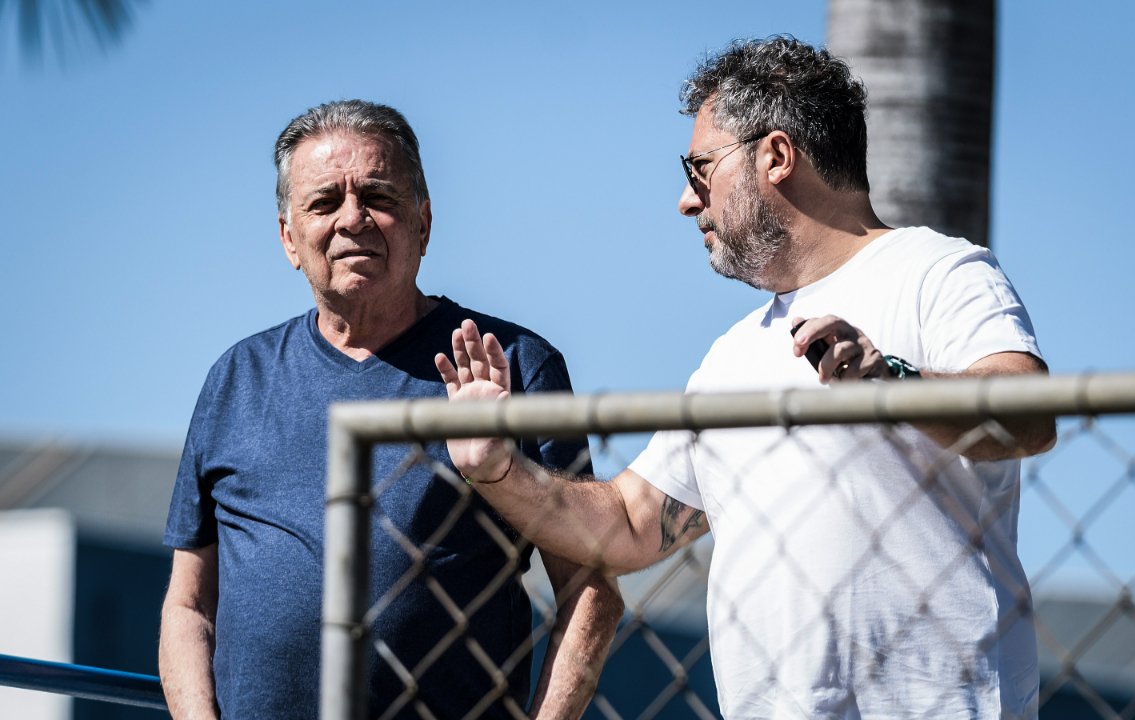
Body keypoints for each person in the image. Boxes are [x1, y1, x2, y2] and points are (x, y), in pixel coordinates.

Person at [436, 37, 1056, 719]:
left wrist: (894, 383)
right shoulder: (730, 356)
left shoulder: (937, 270)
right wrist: (497, 467)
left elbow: (1029, 415)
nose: (685, 201)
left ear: (776, 156)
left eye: (700, 167)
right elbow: (631, 526)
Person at [158, 99, 623, 720]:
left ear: (423, 224)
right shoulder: (236, 379)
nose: (352, 218)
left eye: (378, 196)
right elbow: (188, 605)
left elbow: (590, 589)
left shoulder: (512, 364)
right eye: (324, 202)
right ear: (288, 238)